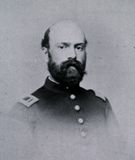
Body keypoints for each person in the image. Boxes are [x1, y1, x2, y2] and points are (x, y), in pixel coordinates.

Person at [0, 20, 127, 160]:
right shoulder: (24, 112)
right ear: (45, 53)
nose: (72, 55)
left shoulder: (100, 105)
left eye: (79, 47)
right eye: (62, 47)